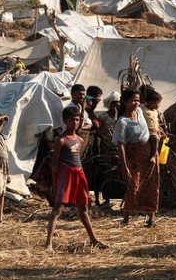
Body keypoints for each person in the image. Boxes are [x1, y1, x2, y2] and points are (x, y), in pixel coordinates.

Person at [44, 107, 106, 252]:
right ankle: (48, 243)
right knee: (58, 208)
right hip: (66, 175)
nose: (75, 122)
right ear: (65, 121)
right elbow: (54, 165)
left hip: (79, 174)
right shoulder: (61, 140)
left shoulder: (80, 139)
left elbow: (78, 159)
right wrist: (55, 184)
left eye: (77, 119)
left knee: (83, 209)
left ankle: (93, 239)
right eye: (71, 119)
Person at [113, 88, 158, 227]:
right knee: (133, 185)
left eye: (138, 100)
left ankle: (151, 218)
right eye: (133, 100)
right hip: (134, 156)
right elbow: (120, 145)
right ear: (125, 102)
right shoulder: (123, 122)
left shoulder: (139, 112)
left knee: (151, 184)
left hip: (149, 153)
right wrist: (124, 165)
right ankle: (126, 218)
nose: (136, 103)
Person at [93, 92, 123, 207]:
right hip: (106, 149)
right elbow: (99, 132)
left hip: (118, 149)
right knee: (106, 173)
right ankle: (107, 198)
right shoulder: (103, 117)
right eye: (114, 104)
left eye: (118, 104)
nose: (116, 106)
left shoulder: (121, 118)